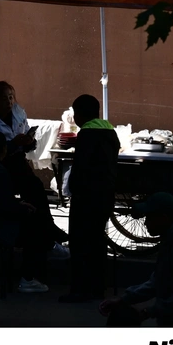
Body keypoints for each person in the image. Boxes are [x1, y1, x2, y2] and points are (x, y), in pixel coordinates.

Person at [0, 132, 66, 293]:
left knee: (35, 220)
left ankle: (50, 246)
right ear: (3, 149)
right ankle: (29, 277)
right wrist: (21, 208)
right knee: (35, 227)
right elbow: (3, 206)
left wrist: (18, 205)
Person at [98, 192, 173, 326]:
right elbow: (157, 282)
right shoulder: (171, 242)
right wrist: (124, 299)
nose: (145, 223)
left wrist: (147, 312)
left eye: (149, 217)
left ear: (163, 219)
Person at [0, 81, 68, 244]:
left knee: (35, 188)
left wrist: (29, 142)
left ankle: (46, 227)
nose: (9, 102)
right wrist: (14, 144)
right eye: (4, 99)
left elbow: (26, 140)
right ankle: (44, 230)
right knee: (30, 190)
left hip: (19, 161)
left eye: (11, 97)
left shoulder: (18, 113)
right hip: (0, 167)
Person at [59, 94, 120, 303]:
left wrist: (72, 189)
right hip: (105, 195)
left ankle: (79, 290)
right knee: (97, 240)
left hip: (86, 197)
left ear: (79, 115)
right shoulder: (110, 131)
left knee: (80, 243)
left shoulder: (87, 134)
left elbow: (81, 168)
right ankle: (98, 287)